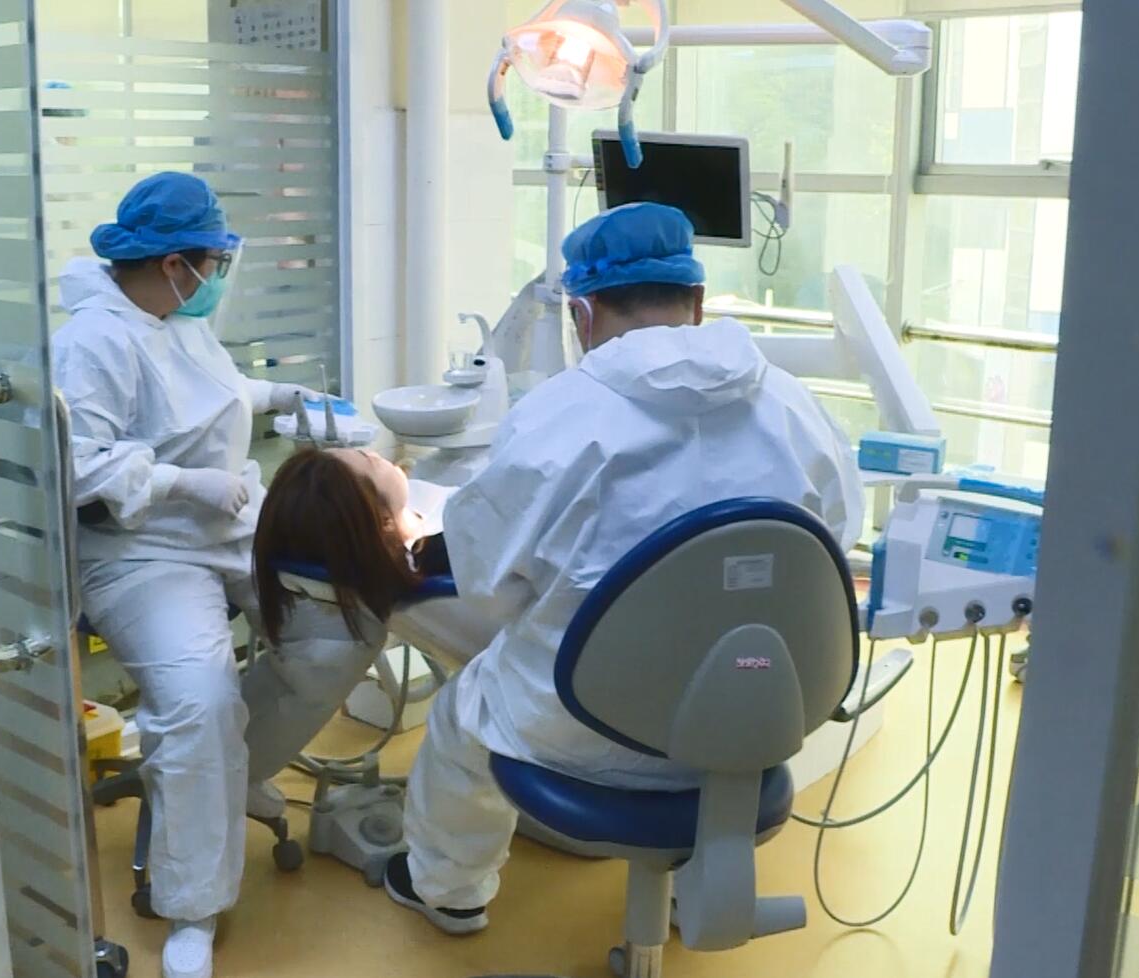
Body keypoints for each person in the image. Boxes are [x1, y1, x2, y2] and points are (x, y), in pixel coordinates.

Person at [383, 202, 865, 934]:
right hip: (754, 714)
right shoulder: (795, 407)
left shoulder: (557, 416)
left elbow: (486, 584)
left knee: (463, 715)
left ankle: (451, 891)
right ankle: (688, 888)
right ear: (697, 300)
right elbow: (831, 546)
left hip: (583, 728)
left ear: (581, 314)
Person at [52, 172, 319, 978]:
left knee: (342, 620)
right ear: (174, 265)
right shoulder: (93, 341)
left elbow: (211, 392)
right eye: (213, 263)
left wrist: (283, 396)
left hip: (228, 521)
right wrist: (179, 483)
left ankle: (229, 774)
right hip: (141, 551)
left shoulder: (175, 316)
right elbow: (75, 465)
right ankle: (193, 907)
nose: (217, 278)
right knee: (201, 701)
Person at [242, 448, 448, 784]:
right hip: (233, 765)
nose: (373, 452)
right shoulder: (432, 552)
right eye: (370, 460)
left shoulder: (357, 542)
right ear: (381, 521)